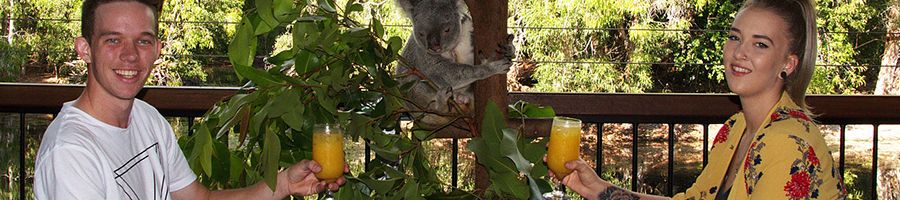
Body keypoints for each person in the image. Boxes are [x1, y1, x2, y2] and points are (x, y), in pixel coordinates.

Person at [33, 0, 346, 199]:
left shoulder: (147, 119)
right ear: (85, 49)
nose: (130, 55)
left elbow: (201, 199)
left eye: (143, 40)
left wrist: (283, 185)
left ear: (156, 50)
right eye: (113, 40)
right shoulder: (71, 152)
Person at [556, 0, 848, 199]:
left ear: (789, 63)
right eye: (735, 37)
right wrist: (602, 190)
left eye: (760, 44)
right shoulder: (737, 128)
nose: (739, 52)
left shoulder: (786, 142)